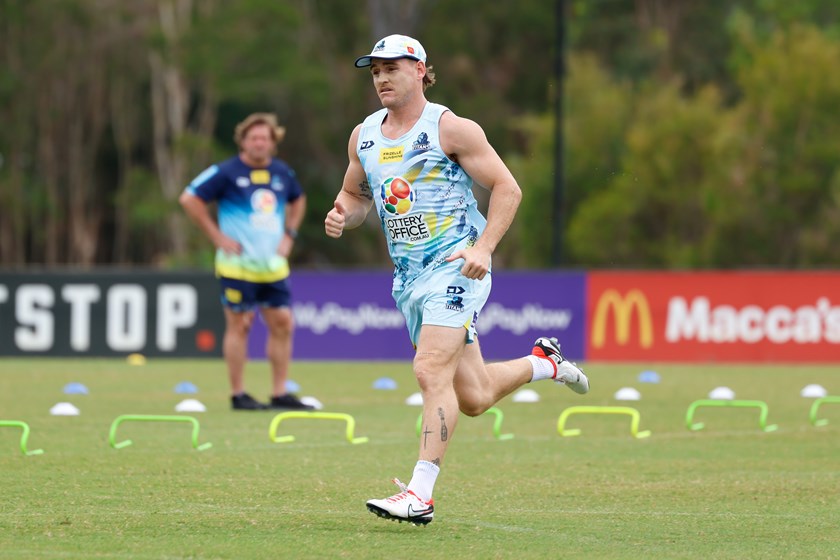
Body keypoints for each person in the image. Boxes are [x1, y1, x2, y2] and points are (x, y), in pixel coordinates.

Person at [324, 35, 590, 525]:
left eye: (392, 68)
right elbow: (355, 195)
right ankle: (544, 363)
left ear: (421, 70)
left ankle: (419, 494)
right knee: (474, 397)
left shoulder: (451, 128)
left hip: (456, 268)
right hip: (409, 279)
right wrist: (343, 213)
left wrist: (483, 248)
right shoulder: (363, 135)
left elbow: (508, 188)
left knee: (429, 371)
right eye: (375, 71)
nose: (381, 78)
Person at [180, 113, 312, 411]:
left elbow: (299, 199)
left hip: (272, 266)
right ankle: (238, 394)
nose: (259, 143)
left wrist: (289, 234)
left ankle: (279, 393)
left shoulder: (282, 173)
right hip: (237, 266)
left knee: (283, 324)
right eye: (253, 138)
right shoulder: (226, 172)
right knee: (239, 326)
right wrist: (216, 236)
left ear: (273, 142)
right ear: (243, 141)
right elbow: (189, 198)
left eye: (264, 138)